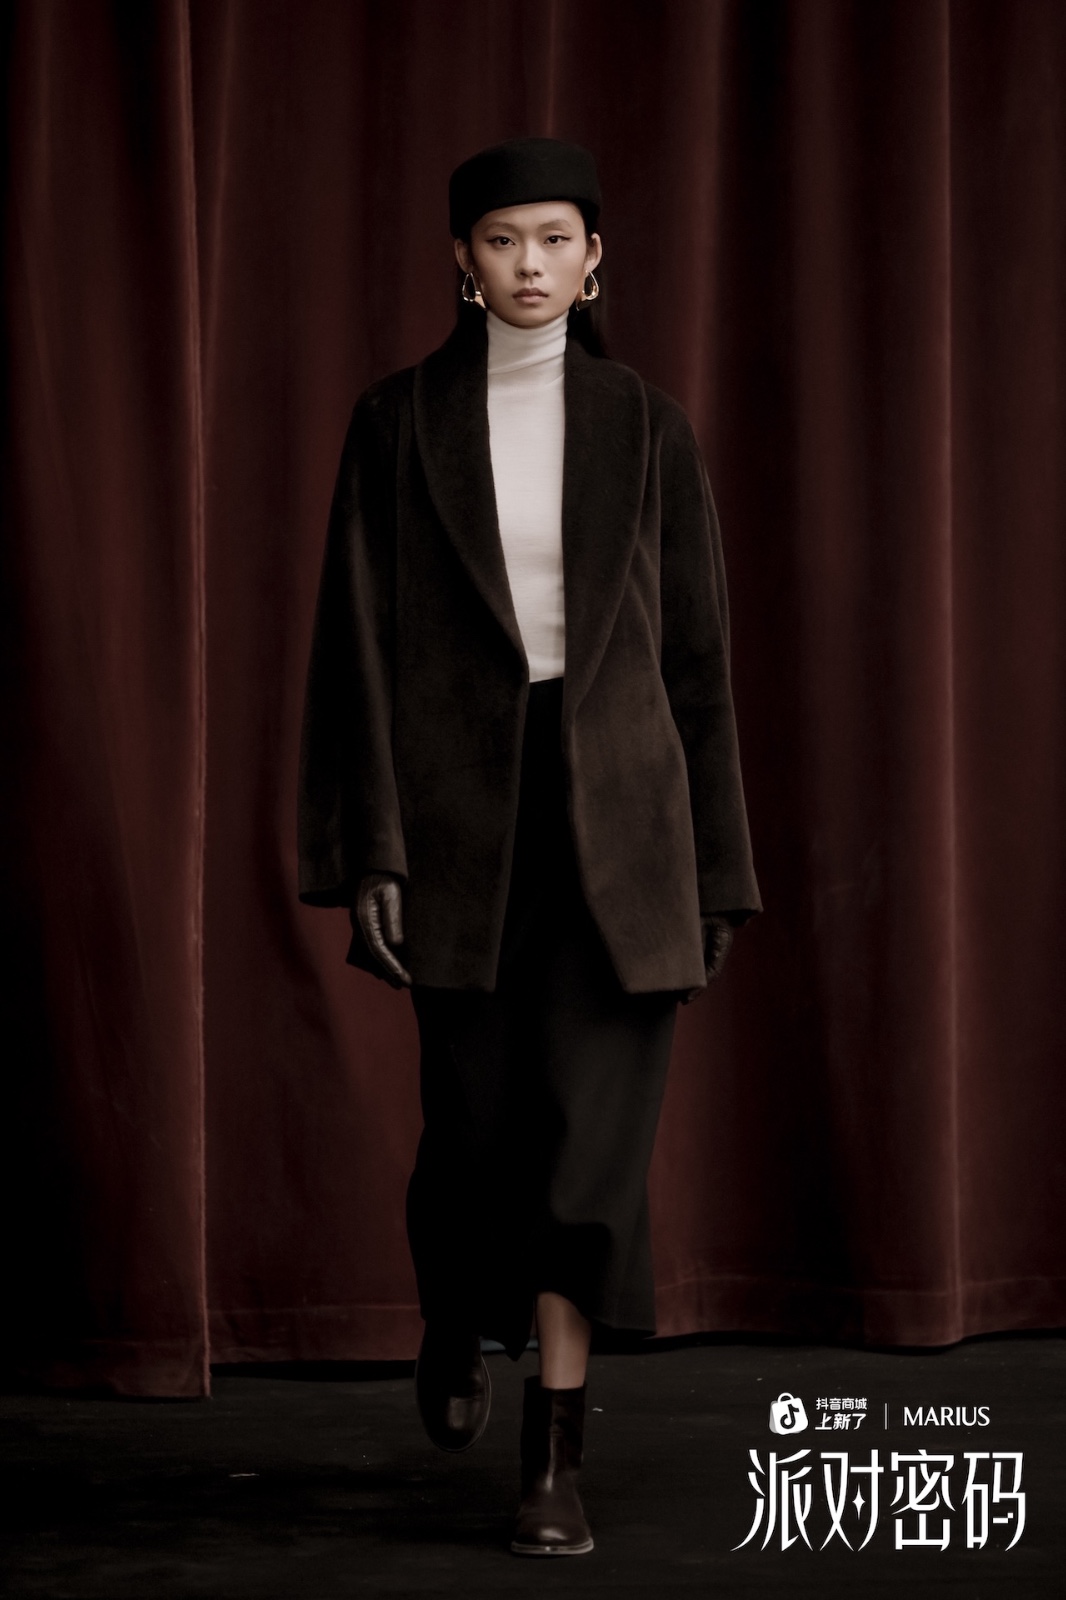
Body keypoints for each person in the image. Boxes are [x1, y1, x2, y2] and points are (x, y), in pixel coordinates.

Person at [297, 136, 761, 1558]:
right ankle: (452, 1311)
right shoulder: (396, 423)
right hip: (459, 829)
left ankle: (553, 1458)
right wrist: (370, 849)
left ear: (594, 258)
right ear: (462, 260)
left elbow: (697, 664)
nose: (530, 264)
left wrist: (717, 869)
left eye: (555, 238)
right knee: (474, 1143)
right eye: (502, 240)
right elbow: (354, 654)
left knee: (586, 1161)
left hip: (623, 830)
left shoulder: (646, 425)